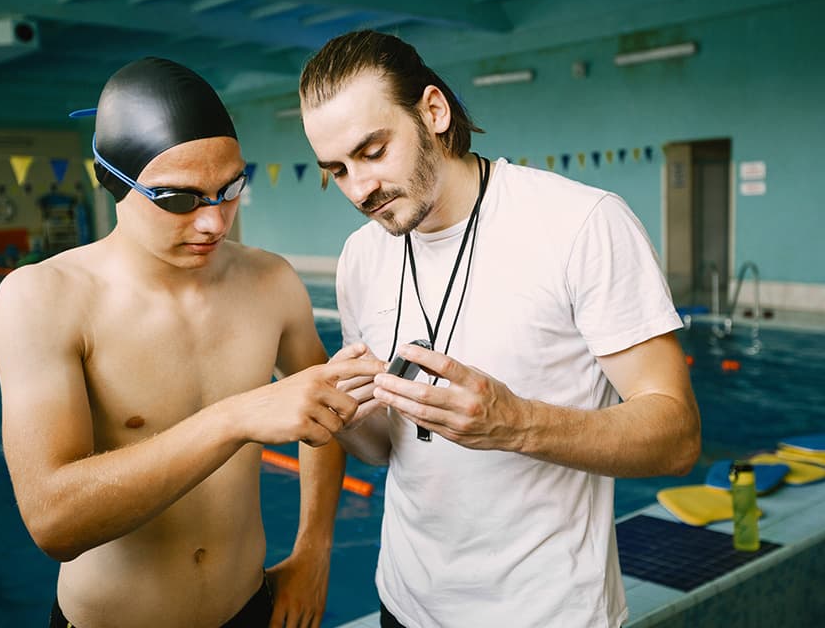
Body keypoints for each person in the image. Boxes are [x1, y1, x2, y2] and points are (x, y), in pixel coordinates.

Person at [299, 31, 701, 627]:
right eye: (336, 170)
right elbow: (388, 449)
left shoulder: (580, 225)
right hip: (405, 605)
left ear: (433, 112)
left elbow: (678, 437)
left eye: (374, 151)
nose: (359, 189)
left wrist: (516, 424)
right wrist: (347, 420)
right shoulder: (362, 256)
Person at [0, 57, 383, 628]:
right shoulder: (43, 299)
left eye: (229, 189)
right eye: (178, 199)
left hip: (251, 608)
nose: (214, 224)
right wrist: (235, 417)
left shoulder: (270, 281)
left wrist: (313, 552)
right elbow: (54, 523)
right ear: (112, 179)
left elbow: (323, 416)